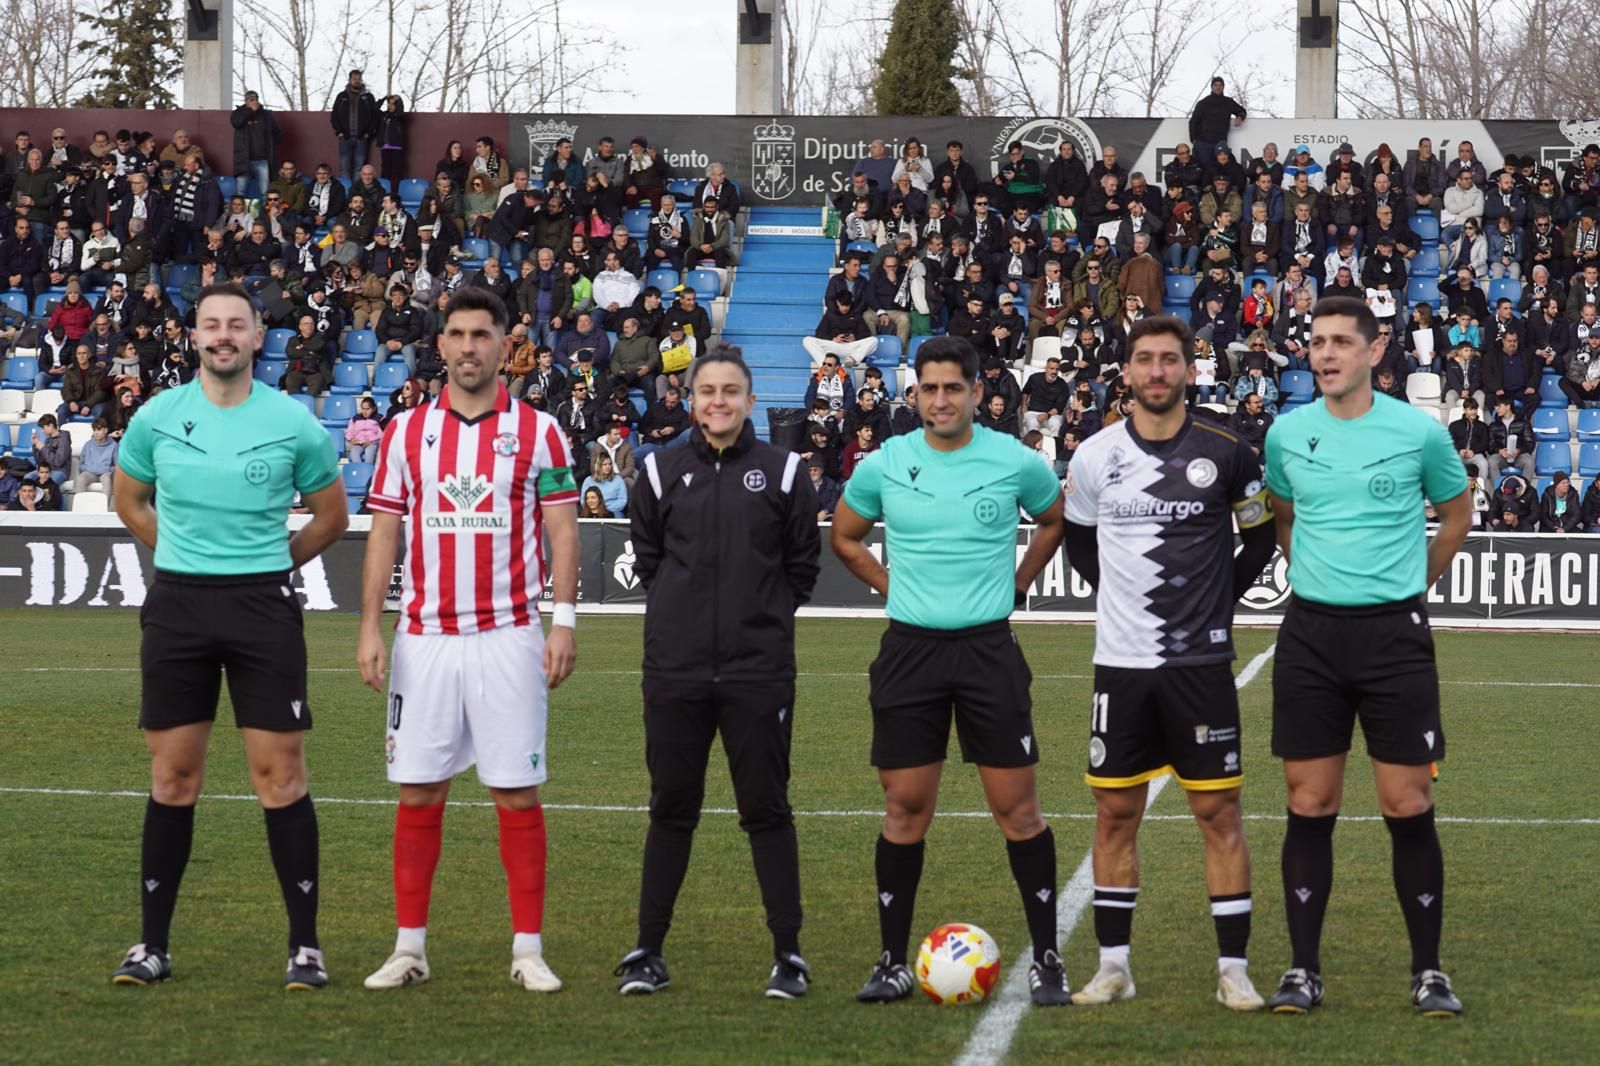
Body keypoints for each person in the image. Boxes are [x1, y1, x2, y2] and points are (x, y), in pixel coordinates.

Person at [108, 282, 348, 989]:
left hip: (262, 608)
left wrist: (269, 565)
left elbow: (330, 516)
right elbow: (129, 499)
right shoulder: (157, 416)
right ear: (194, 336)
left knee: (281, 777)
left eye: (235, 325)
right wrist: (180, 553)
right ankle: (152, 946)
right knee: (173, 776)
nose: (223, 335)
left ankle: (304, 948)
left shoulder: (294, 422)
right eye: (210, 324)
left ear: (255, 337)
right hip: (178, 605)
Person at [830, 336, 1070, 1006]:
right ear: (914, 395)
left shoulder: (1014, 460)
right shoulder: (886, 463)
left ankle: (1047, 959)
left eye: (953, 388)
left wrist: (1017, 585)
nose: (940, 400)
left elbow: (1054, 519)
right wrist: (889, 587)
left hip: (989, 651)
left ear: (975, 392)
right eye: (928, 389)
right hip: (910, 652)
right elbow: (843, 535)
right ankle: (889, 961)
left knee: (1017, 810)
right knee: (905, 807)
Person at [357, 286, 581, 994]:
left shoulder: (542, 431)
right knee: (418, 792)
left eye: (481, 335)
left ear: (504, 343)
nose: (467, 347)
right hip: (424, 639)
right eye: (455, 335)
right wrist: (369, 625)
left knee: (517, 793)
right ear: (442, 344)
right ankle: (409, 947)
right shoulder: (404, 432)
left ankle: (527, 949)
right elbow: (386, 531)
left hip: (509, 636)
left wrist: (565, 620)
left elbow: (563, 529)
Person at [1261, 295, 1472, 1017]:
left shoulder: (1419, 432)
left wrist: (1415, 582)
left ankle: (1429, 971)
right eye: (1316, 342)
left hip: (1394, 637)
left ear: (1375, 350)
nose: (1325, 355)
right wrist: (1315, 576)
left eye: (1340, 343)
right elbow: (1282, 515)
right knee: (1308, 801)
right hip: (1311, 637)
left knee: (1407, 801)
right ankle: (1302, 970)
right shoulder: (1287, 434)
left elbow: (1457, 512)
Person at [1059, 314, 1276, 1011]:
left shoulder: (1229, 451)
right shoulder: (1093, 457)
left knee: (1219, 813)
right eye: (1145, 360)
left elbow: (1261, 536)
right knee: (1114, 810)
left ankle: (1234, 971)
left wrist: (1219, 603)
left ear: (1190, 370)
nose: (1157, 372)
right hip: (1120, 665)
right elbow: (1081, 547)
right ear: (1126, 371)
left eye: (1170, 360)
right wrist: (1126, 604)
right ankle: (1113, 966)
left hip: (1200, 666)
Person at [616, 347, 821, 999]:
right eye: (708, 391)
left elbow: (801, 569)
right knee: (671, 808)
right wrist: (683, 619)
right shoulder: (659, 472)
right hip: (674, 672)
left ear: (750, 400)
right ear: (693, 399)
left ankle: (788, 956)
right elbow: (648, 559)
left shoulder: (786, 473)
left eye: (731, 391)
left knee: (766, 810)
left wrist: (755, 622)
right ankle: (648, 950)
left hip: (758, 674)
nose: (719, 401)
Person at [230, 91, 280, 199]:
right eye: (249, 99)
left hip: (262, 160)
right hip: (244, 160)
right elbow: (236, 123)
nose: (252, 101)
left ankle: (265, 215)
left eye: (254, 99)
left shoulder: (266, 115)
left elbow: (277, 133)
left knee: (265, 194)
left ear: (258, 99)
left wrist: (269, 146)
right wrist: (249, 110)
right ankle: (239, 216)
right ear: (245, 101)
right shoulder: (238, 113)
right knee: (240, 193)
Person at [331, 69, 378, 182]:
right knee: (344, 168)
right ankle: (346, 193)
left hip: (361, 138)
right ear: (349, 80)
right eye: (354, 79)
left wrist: (368, 132)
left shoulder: (368, 97)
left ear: (361, 80)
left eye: (359, 79)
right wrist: (339, 131)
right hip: (345, 137)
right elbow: (334, 115)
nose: (356, 81)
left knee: (359, 168)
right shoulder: (341, 96)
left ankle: (356, 194)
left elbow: (374, 116)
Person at [1190, 77, 1247, 165]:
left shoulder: (1228, 102)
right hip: (1203, 143)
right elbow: (1193, 122)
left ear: (1223, 87)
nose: (1218, 87)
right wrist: (1194, 140)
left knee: (1220, 170)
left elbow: (1242, 111)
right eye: (1215, 85)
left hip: (1220, 143)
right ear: (1211, 87)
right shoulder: (1203, 103)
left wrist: (1240, 117)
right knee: (1204, 170)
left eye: (1220, 85)